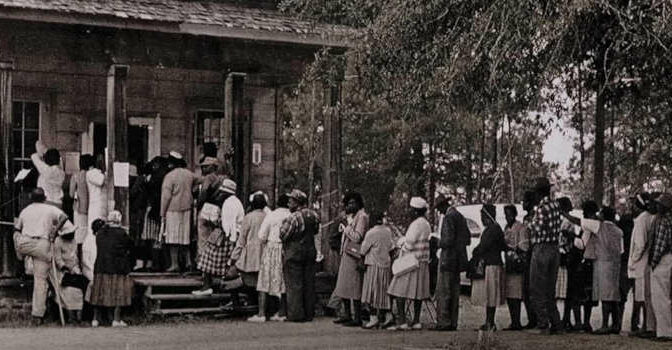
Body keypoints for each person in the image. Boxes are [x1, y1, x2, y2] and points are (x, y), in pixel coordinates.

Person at [13, 188, 73, 324]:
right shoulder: (49, 208)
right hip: (42, 245)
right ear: (44, 198)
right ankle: (37, 316)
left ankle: (19, 261)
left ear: (31, 198)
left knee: (16, 235)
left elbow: (17, 228)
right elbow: (65, 217)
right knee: (41, 281)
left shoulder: (25, 210)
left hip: (25, 243)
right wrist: (55, 231)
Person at [563, 206, 624, 334]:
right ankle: (616, 324)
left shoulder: (599, 226)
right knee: (613, 296)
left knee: (605, 296)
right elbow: (621, 250)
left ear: (603, 215)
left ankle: (605, 325)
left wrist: (564, 214)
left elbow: (578, 221)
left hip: (602, 263)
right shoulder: (618, 231)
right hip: (615, 264)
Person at [387, 197, 431, 331]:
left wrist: (401, 244)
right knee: (418, 292)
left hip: (411, 261)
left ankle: (402, 321)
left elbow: (410, 243)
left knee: (399, 290)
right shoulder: (426, 224)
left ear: (416, 211)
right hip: (422, 261)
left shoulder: (416, 224)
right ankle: (416, 320)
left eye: (412, 210)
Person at [193, 179, 242, 295]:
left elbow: (228, 225)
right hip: (226, 235)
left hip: (226, 236)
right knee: (214, 260)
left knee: (208, 258)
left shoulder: (230, 203)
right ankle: (210, 285)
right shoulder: (233, 202)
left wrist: (230, 241)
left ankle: (208, 286)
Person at [528, 177, 564, 334]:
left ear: (538, 193)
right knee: (550, 289)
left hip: (541, 248)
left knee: (536, 288)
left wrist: (529, 222)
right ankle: (556, 323)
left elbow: (535, 227)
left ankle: (543, 324)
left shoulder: (542, 208)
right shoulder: (556, 204)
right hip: (554, 249)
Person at [279, 189, 320, 322]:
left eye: (291, 201)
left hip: (295, 253)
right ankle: (309, 313)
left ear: (297, 202)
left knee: (294, 284)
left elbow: (283, 235)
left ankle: (296, 314)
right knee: (308, 283)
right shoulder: (314, 215)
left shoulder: (294, 217)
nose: (289, 203)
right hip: (310, 252)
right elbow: (315, 231)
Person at [252, 194, 292, 322]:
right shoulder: (291, 215)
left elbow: (261, 235)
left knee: (264, 280)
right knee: (283, 280)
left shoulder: (272, 215)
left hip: (271, 247)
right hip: (286, 249)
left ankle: (261, 313)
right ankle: (282, 312)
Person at [90, 211, 133, 327]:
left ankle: (95, 319)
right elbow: (130, 246)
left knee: (99, 294)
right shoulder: (122, 233)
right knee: (119, 293)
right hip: (118, 267)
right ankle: (116, 319)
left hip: (101, 266)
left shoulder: (100, 233)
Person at [434, 195, 470, 331]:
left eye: (439, 208)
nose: (439, 212)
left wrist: (437, 242)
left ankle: (444, 321)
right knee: (455, 291)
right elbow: (467, 238)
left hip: (447, 258)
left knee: (444, 291)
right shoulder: (460, 216)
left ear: (443, 206)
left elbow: (448, 240)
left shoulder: (449, 217)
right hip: (458, 260)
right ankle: (453, 322)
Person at [333, 192, 369, 327]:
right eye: (348, 203)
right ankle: (346, 314)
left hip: (354, 255)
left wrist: (347, 227)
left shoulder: (362, 217)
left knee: (354, 286)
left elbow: (357, 237)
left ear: (359, 203)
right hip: (346, 254)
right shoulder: (353, 216)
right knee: (344, 285)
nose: (350, 206)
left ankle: (357, 316)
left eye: (353, 203)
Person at [470, 204, 507, 331]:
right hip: (494, 264)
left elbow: (483, 247)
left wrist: (475, 252)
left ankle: (490, 322)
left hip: (492, 265)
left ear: (486, 216)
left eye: (482, 216)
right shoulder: (496, 229)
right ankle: (489, 321)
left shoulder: (492, 230)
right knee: (490, 295)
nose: (481, 219)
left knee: (491, 295)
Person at [160, 151, 198, 272]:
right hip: (187, 208)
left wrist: (162, 213)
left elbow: (166, 197)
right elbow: (199, 181)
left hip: (172, 209)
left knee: (172, 238)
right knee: (185, 237)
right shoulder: (189, 174)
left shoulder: (169, 176)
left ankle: (175, 264)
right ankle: (188, 262)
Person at [628, 193, 658, 338]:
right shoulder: (650, 218)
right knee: (645, 295)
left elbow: (640, 244)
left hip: (640, 263)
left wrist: (633, 260)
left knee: (641, 297)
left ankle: (644, 326)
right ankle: (645, 325)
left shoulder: (641, 220)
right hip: (647, 262)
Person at [231, 192, 267, 311]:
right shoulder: (267, 216)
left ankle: (242, 304)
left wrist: (234, 257)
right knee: (262, 281)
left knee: (245, 279)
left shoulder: (249, 217)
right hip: (265, 252)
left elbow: (241, 240)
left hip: (250, 253)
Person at [359, 211, 395, 329]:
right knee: (384, 292)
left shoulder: (371, 233)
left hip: (373, 265)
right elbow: (391, 248)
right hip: (385, 265)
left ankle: (373, 317)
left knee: (372, 292)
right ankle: (388, 315)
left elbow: (363, 250)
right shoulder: (387, 231)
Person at [649, 193, 672, 341]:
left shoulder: (663, 221)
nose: (657, 206)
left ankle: (664, 332)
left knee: (660, 297)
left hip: (663, 260)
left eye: (659, 204)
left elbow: (660, 245)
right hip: (669, 258)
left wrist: (653, 262)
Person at [503, 204, 530, 331]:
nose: (508, 217)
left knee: (517, 294)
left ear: (514, 214)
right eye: (506, 215)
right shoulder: (506, 228)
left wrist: (510, 248)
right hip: (508, 263)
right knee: (509, 294)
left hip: (517, 263)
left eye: (510, 214)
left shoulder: (521, 227)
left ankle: (517, 321)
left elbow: (524, 246)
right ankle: (513, 320)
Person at [195, 157, 227, 259]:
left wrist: (199, 204)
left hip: (207, 207)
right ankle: (211, 259)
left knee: (203, 235)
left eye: (206, 166)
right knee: (213, 236)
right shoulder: (221, 178)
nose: (203, 169)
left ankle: (202, 259)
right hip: (216, 208)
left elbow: (204, 192)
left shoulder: (208, 178)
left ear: (213, 167)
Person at [141, 156, 169, 271]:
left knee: (154, 238)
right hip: (163, 209)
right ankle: (161, 263)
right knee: (160, 238)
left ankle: (155, 263)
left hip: (153, 208)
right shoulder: (165, 176)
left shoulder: (154, 178)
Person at [53, 228, 84, 323]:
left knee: (78, 292)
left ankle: (79, 317)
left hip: (75, 269)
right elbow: (57, 259)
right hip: (62, 272)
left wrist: (76, 268)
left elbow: (75, 256)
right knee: (68, 292)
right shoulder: (58, 241)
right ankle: (71, 317)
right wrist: (65, 268)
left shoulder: (74, 241)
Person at [521, 190, 539, 329]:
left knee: (533, 288)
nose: (523, 204)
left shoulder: (535, 217)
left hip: (533, 254)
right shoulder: (526, 218)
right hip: (526, 255)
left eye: (525, 201)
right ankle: (531, 318)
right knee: (526, 289)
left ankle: (537, 318)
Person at [69, 154, 93, 251]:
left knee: (78, 235)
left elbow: (71, 194)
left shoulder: (75, 176)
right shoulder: (91, 176)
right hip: (91, 208)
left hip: (79, 208)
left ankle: (78, 257)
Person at [31, 140, 65, 207]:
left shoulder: (46, 170)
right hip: (58, 202)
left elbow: (34, 156)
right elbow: (59, 160)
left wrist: (43, 152)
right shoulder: (61, 172)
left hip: (47, 202)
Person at [557, 197, 574, 330]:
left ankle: (565, 318)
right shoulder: (564, 221)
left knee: (565, 290)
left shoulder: (568, 222)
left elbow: (566, 239)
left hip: (565, 256)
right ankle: (564, 318)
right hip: (563, 255)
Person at [86, 156, 108, 237]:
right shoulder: (91, 173)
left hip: (105, 205)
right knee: (95, 227)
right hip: (96, 205)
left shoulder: (104, 173)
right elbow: (100, 181)